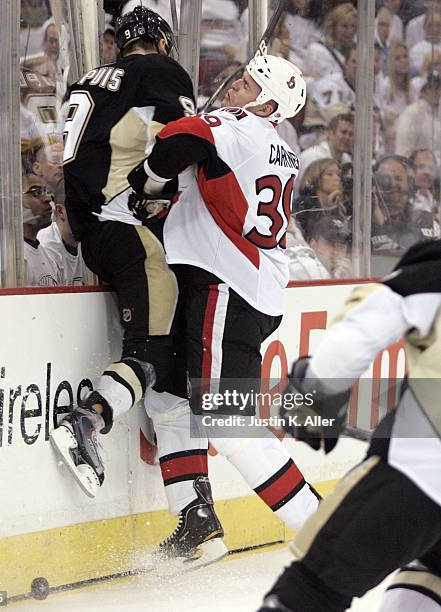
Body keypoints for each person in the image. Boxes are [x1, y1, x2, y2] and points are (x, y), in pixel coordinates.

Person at [127, 54, 320, 559]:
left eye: (248, 82)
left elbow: (180, 139)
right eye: (238, 79)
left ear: (268, 103)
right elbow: (212, 183)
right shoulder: (276, 148)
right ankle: (196, 521)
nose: (234, 86)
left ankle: (320, 528)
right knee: (168, 397)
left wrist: (146, 180)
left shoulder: (242, 126)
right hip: (235, 288)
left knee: (227, 421)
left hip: (226, 288)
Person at [51, 5, 195, 496]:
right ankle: (88, 419)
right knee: (154, 347)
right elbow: (186, 144)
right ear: (159, 41)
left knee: (167, 361)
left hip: (93, 233)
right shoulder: (158, 70)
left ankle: (194, 508)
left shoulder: (88, 81)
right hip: (127, 228)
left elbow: (109, 150)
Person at [257, 239, 441, 612]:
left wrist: (313, 393)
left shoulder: (432, 272)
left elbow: (361, 331)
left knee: (313, 586)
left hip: (422, 469)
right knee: (432, 573)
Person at [0, 172, 61, 286]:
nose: (48, 198)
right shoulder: (1, 256)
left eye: (45, 191)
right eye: (36, 192)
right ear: (12, 202)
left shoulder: (46, 255)